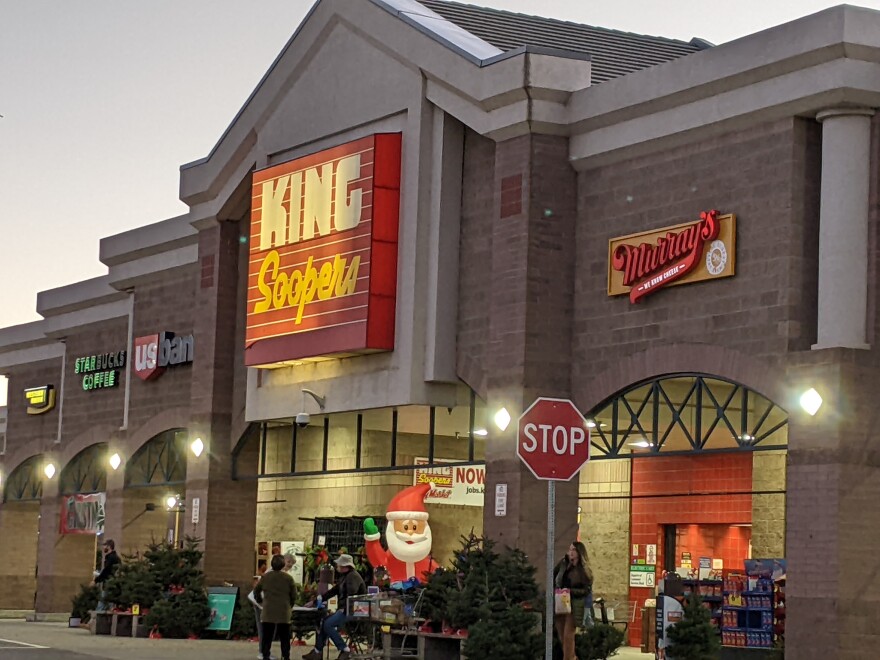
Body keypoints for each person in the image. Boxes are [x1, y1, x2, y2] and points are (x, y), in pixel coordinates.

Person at [363, 482, 438, 583]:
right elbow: (378, 560)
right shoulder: (390, 559)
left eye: (415, 527)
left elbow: (437, 573)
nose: (410, 532)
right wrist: (372, 540)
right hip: (394, 594)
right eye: (405, 527)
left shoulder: (427, 562)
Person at [302, 554, 366, 660]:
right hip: (346, 609)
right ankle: (318, 651)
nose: (337, 567)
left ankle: (345, 649)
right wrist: (314, 602)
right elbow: (332, 592)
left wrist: (342, 610)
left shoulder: (353, 577)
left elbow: (351, 596)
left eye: (339, 565)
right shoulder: (345, 577)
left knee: (328, 624)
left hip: (354, 610)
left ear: (345, 566)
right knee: (324, 622)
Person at [554, 541, 594, 660]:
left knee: (568, 635)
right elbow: (555, 577)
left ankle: (569, 658)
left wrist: (570, 591)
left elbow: (586, 590)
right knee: (561, 635)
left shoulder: (584, 570)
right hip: (561, 603)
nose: (570, 552)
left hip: (574, 605)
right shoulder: (564, 565)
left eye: (573, 550)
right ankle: (572, 657)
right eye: (570, 549)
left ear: (579, 553)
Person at [254, 554, 297, 660]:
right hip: (283, 611)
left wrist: (260, 601)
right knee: (284, 637)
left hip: (268, 610)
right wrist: (290, 605)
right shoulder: (288, 578)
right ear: (283, 564)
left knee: (267, 636)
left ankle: (265, 655)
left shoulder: (266, 577)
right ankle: (286, 656)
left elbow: (256, 590)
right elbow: (294, 595)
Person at [90, 539, 120, 612]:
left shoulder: (111, 558)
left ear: (109, 546)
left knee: (102, 603)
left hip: (108, 584)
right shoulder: (115, 557)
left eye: (104, 546)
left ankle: (95, 620)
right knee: (110, 605)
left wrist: (95, 581)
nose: (103, 548)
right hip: (113, 585)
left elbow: (106, 571)